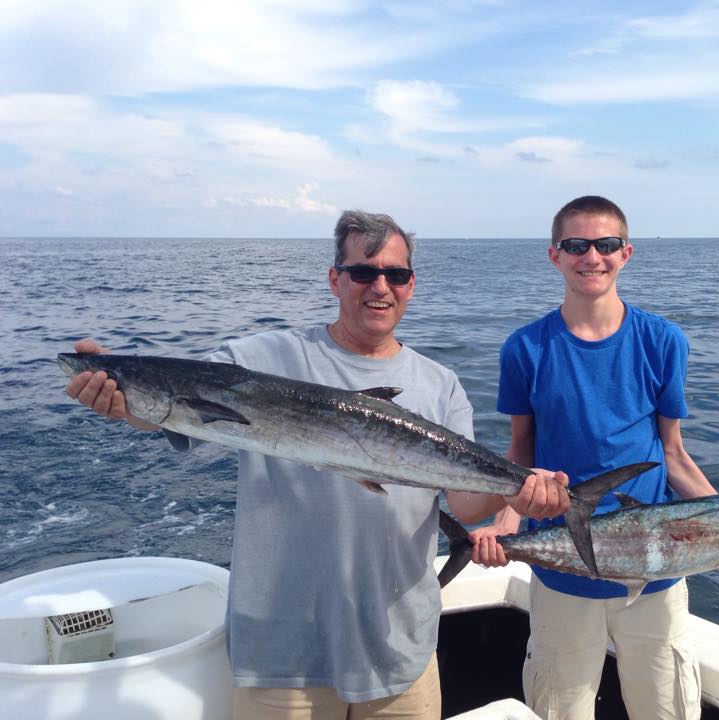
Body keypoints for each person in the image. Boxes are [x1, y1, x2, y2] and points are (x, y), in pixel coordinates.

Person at [65, 209, 570, 720]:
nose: (380, 286)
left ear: (411, 285)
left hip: (400, 650)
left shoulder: (441, 385)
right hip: (281, 654)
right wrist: (120, 392)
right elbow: (175, 411)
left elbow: (464, 500)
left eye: (395, 274)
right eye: (362, 272)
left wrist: (515, 492)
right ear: (335, 278)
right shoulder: (263, 356)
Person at [470, 196, 719, 720]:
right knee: (561, 709)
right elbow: (521, 454)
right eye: (576, 245)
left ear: (626, 253)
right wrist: (503, 526)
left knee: (666, 709)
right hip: (564, 574)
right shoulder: (525, 348)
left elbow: (673, 454)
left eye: (606, 244)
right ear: (554, 255)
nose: (592, 256)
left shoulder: (663, 341)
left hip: (657, 569)